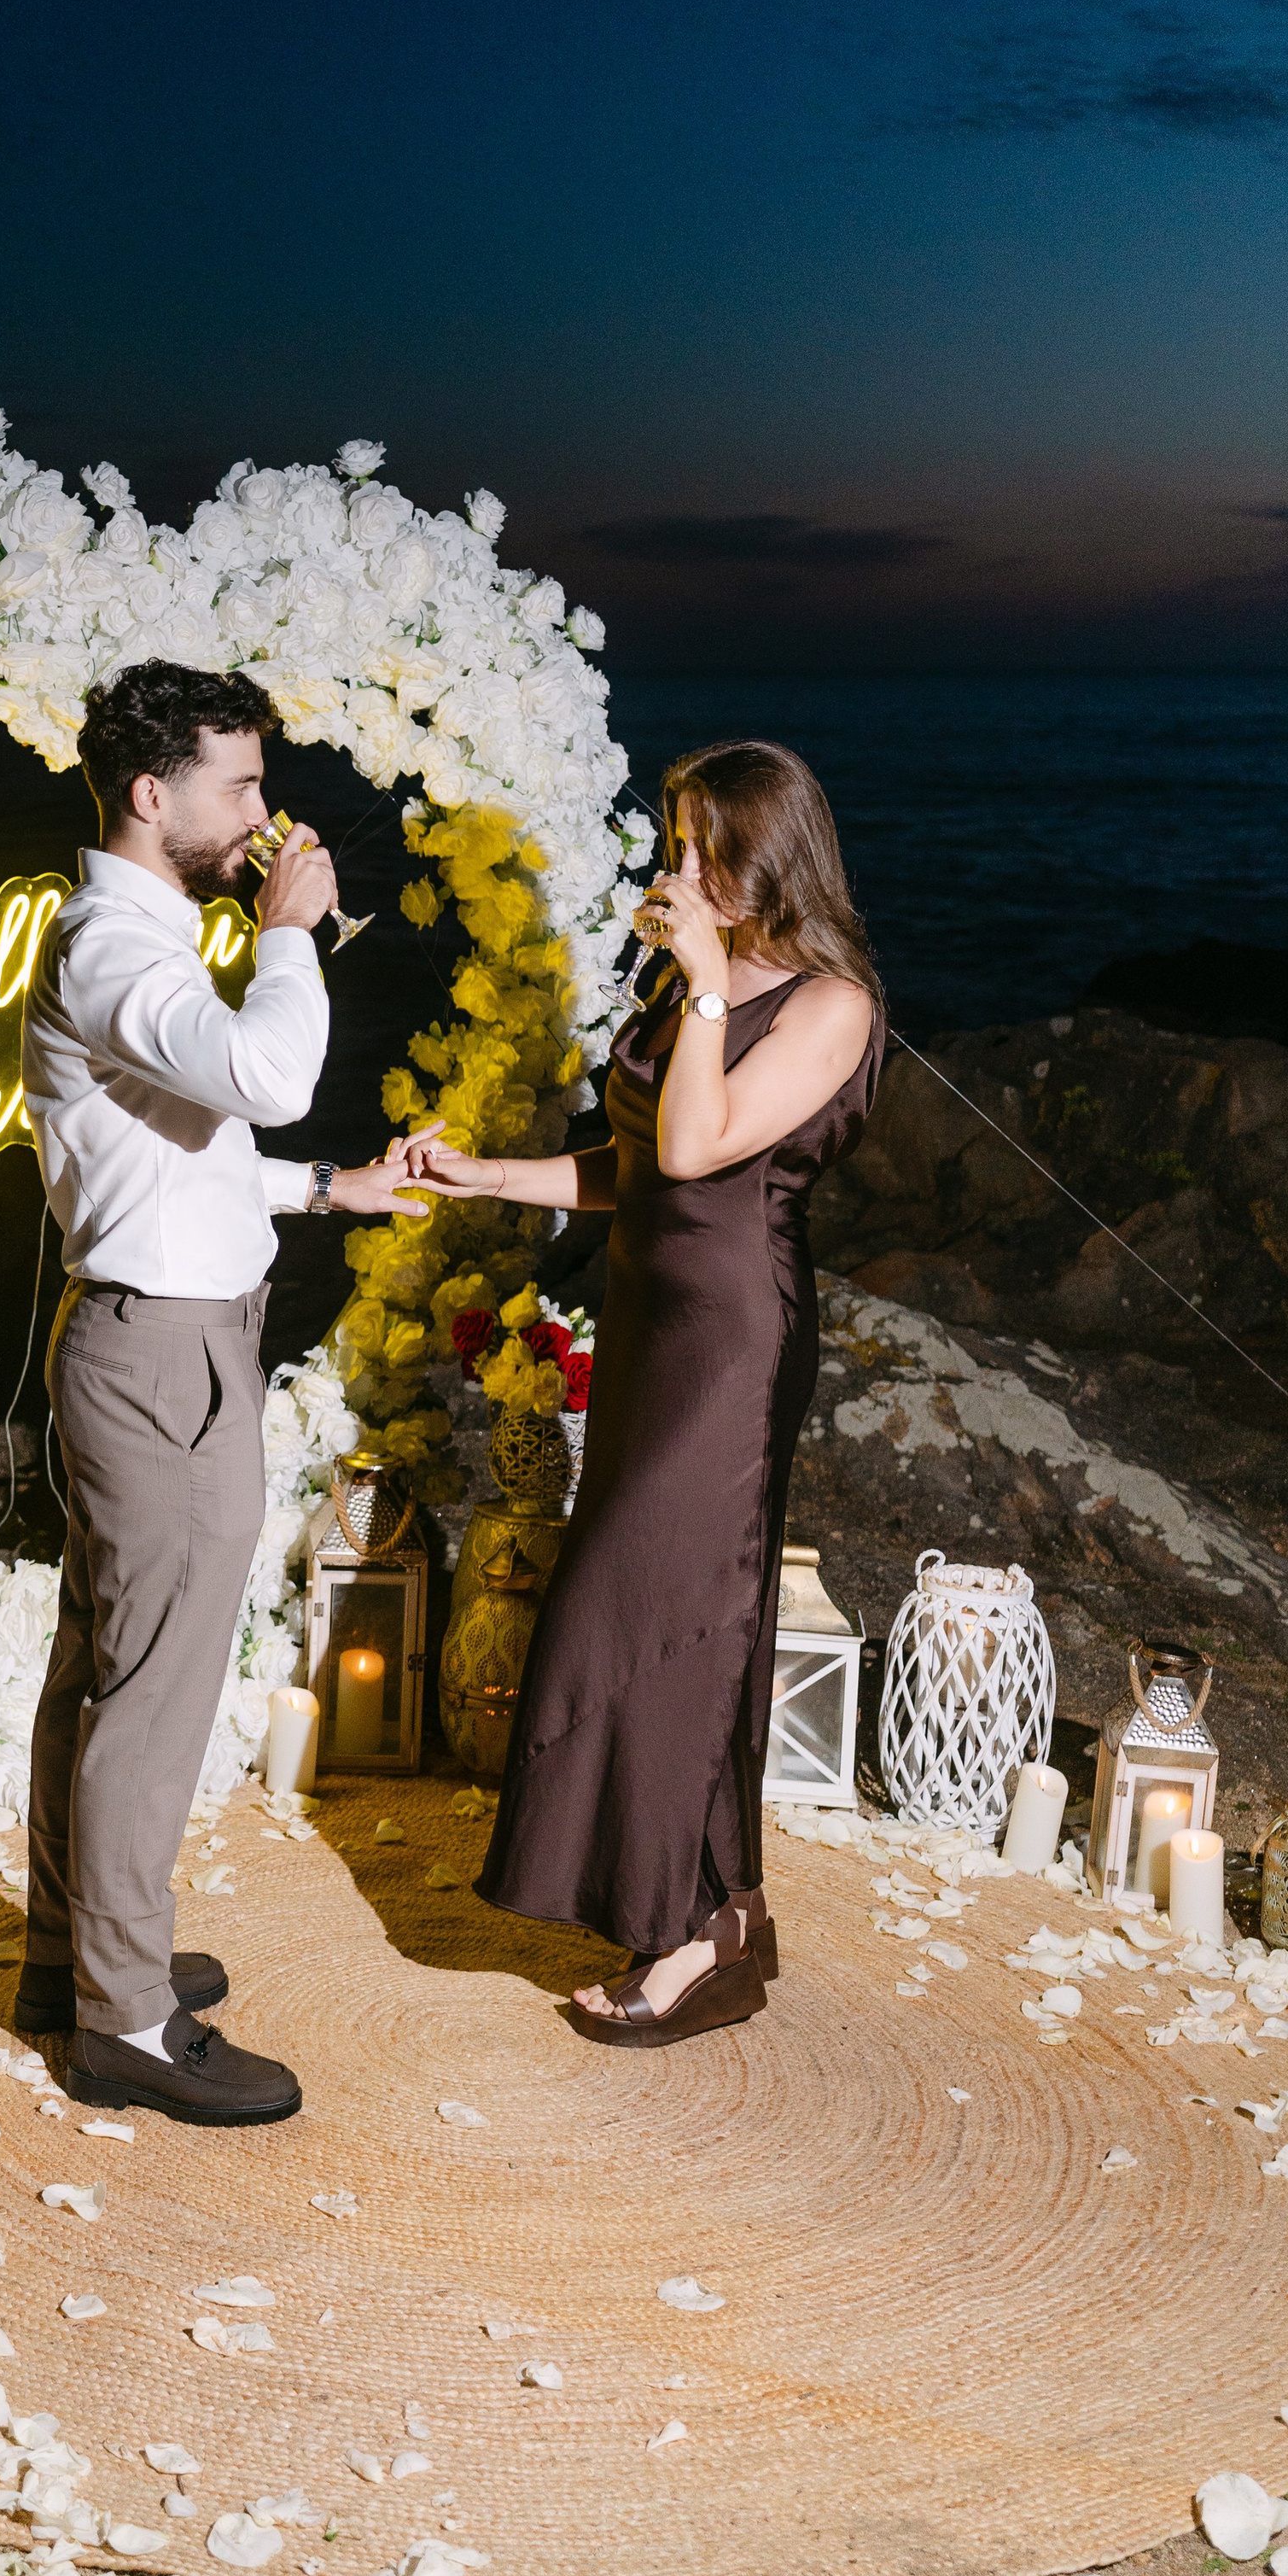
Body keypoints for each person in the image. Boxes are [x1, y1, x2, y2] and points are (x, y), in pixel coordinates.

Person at [405, 739, 884, 2046]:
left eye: (701, 848)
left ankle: (693, 1936)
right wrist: (489, 1179)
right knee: (639, 1612)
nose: (675, 872)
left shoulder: (827, 1004)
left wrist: (710, 984)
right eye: (670, 844)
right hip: (650, 1329)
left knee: (674, 1621)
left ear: (767, 856)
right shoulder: (706, 992)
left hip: (735, 1342)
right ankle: (712, 1914)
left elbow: (700, 1144)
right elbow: (632, 1170)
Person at [18, 657, 426, 2122]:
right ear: (154, 791)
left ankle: (72, 1962)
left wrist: (333, 1190)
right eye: (241, 782)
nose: (265, 809)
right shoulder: (121, 951)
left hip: (156, 1334)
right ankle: (123, 2022)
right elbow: (268, 1075)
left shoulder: (133, 941)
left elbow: (181, 1155)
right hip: (166, 1359)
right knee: (154, 1689)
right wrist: (294, 934)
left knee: (105, 1660)